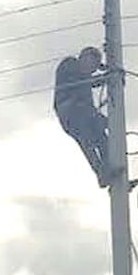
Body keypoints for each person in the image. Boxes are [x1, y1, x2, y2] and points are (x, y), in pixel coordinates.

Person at [53, 46, 111, 188]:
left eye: (94, 68)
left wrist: (107, 75)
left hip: (85, 113)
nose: (92, 70)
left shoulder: (84, 75)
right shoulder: (69, 63)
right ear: (84, 57)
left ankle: (110, 173)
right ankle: (101, 172)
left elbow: (91, 80)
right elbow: (84, 78)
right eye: (92, 65)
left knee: (103, 137)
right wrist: (106, 76)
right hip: (70, 111)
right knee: (88, 141)